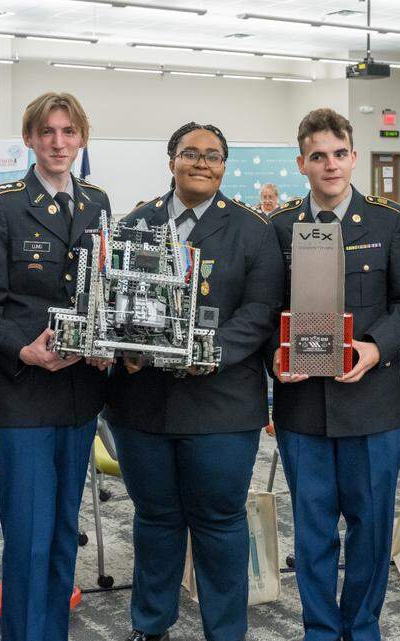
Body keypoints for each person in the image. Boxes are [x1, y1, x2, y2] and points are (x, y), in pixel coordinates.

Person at [106, 121, 285, 641]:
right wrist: (128, 348)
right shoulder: (134, 223)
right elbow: (114, 298)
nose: (201, 163)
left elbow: (260, 311)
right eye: (190, 153)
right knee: (156, 520)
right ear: (172, 161)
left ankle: (225, 631)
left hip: (222, 407)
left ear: (224, 166)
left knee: (219, 523)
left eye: (212, 155)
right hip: (143, 404)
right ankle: (151, 625)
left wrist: (210, 353)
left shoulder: (253, 229)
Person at [269, 108, 400, 641]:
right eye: (318, 156)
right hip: (302, 406)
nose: (330, 165)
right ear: (301, 163)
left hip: (372, 405)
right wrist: (275, 356)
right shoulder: (282, 226)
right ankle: (319, 629)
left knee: (370, 528)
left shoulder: (389, 221)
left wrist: (375, 350)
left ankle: (361, 626)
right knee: (312, 531)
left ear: (353, 157)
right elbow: (266, 311)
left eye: (339, 154)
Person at [0, 92, 110, 641]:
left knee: (62, 532)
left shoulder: (97, 202)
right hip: (25, 390)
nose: (58, 142)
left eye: (68, 132)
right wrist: (24, 348)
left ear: (81, 139)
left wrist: (109, 340)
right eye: (47, 132)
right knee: (28, 534)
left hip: (79, 393)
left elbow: (104, 294)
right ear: (29, 138)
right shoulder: (1, 204)